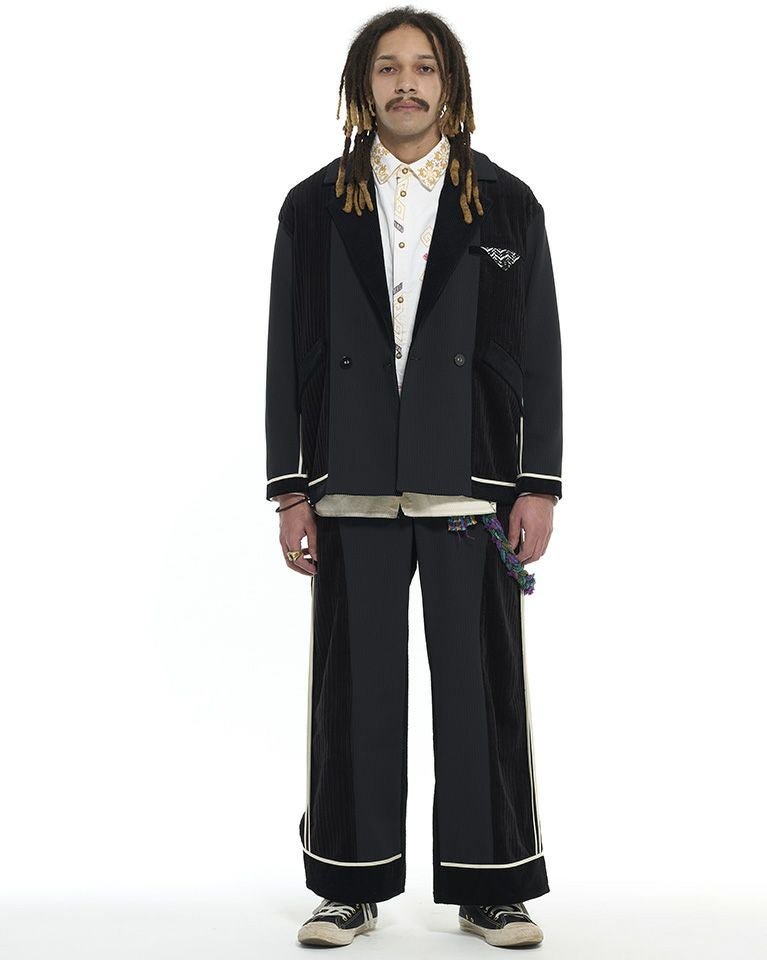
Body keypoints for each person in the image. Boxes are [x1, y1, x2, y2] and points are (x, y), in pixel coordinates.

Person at [264, 7, 563, 949]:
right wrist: (290, 488)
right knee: (353, 691)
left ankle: (491, 887)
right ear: (364, 85)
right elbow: (285, 353)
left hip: (472, 482)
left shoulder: (507, 204)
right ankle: (348, 886)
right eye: (388, 67)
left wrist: (539, 483)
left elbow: (540, 353)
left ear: (450, 85)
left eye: (424, 68)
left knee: (480, 687)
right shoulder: (313, 206)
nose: (406, 83)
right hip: (349, 479)